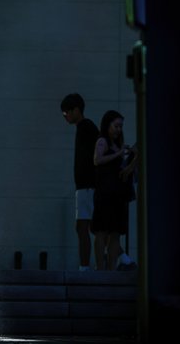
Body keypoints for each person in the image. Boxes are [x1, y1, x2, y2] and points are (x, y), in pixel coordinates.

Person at [91, 110, 138, 271]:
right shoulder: (102, 141)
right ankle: (100, 267)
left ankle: (111, 269)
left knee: (115, 233)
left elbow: (121, 170)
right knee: (101, 231)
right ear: (108, 125)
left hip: (117, 195)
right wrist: (118, 153)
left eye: (121, 126)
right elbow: (97, 160)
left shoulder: (117, 144)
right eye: (116, 126)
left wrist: (131, 159)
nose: (118, 129)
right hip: (104, 193)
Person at [60, 93, 99, 271]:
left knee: (84, 227)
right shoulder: (84, 127)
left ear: (76, 110)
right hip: (85, 186)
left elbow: (93, 155)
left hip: (87, 186)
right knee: (91, 227)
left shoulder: (86, 126)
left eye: (66, 112)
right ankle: (121, 256)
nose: (65, 116)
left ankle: (85, 268)